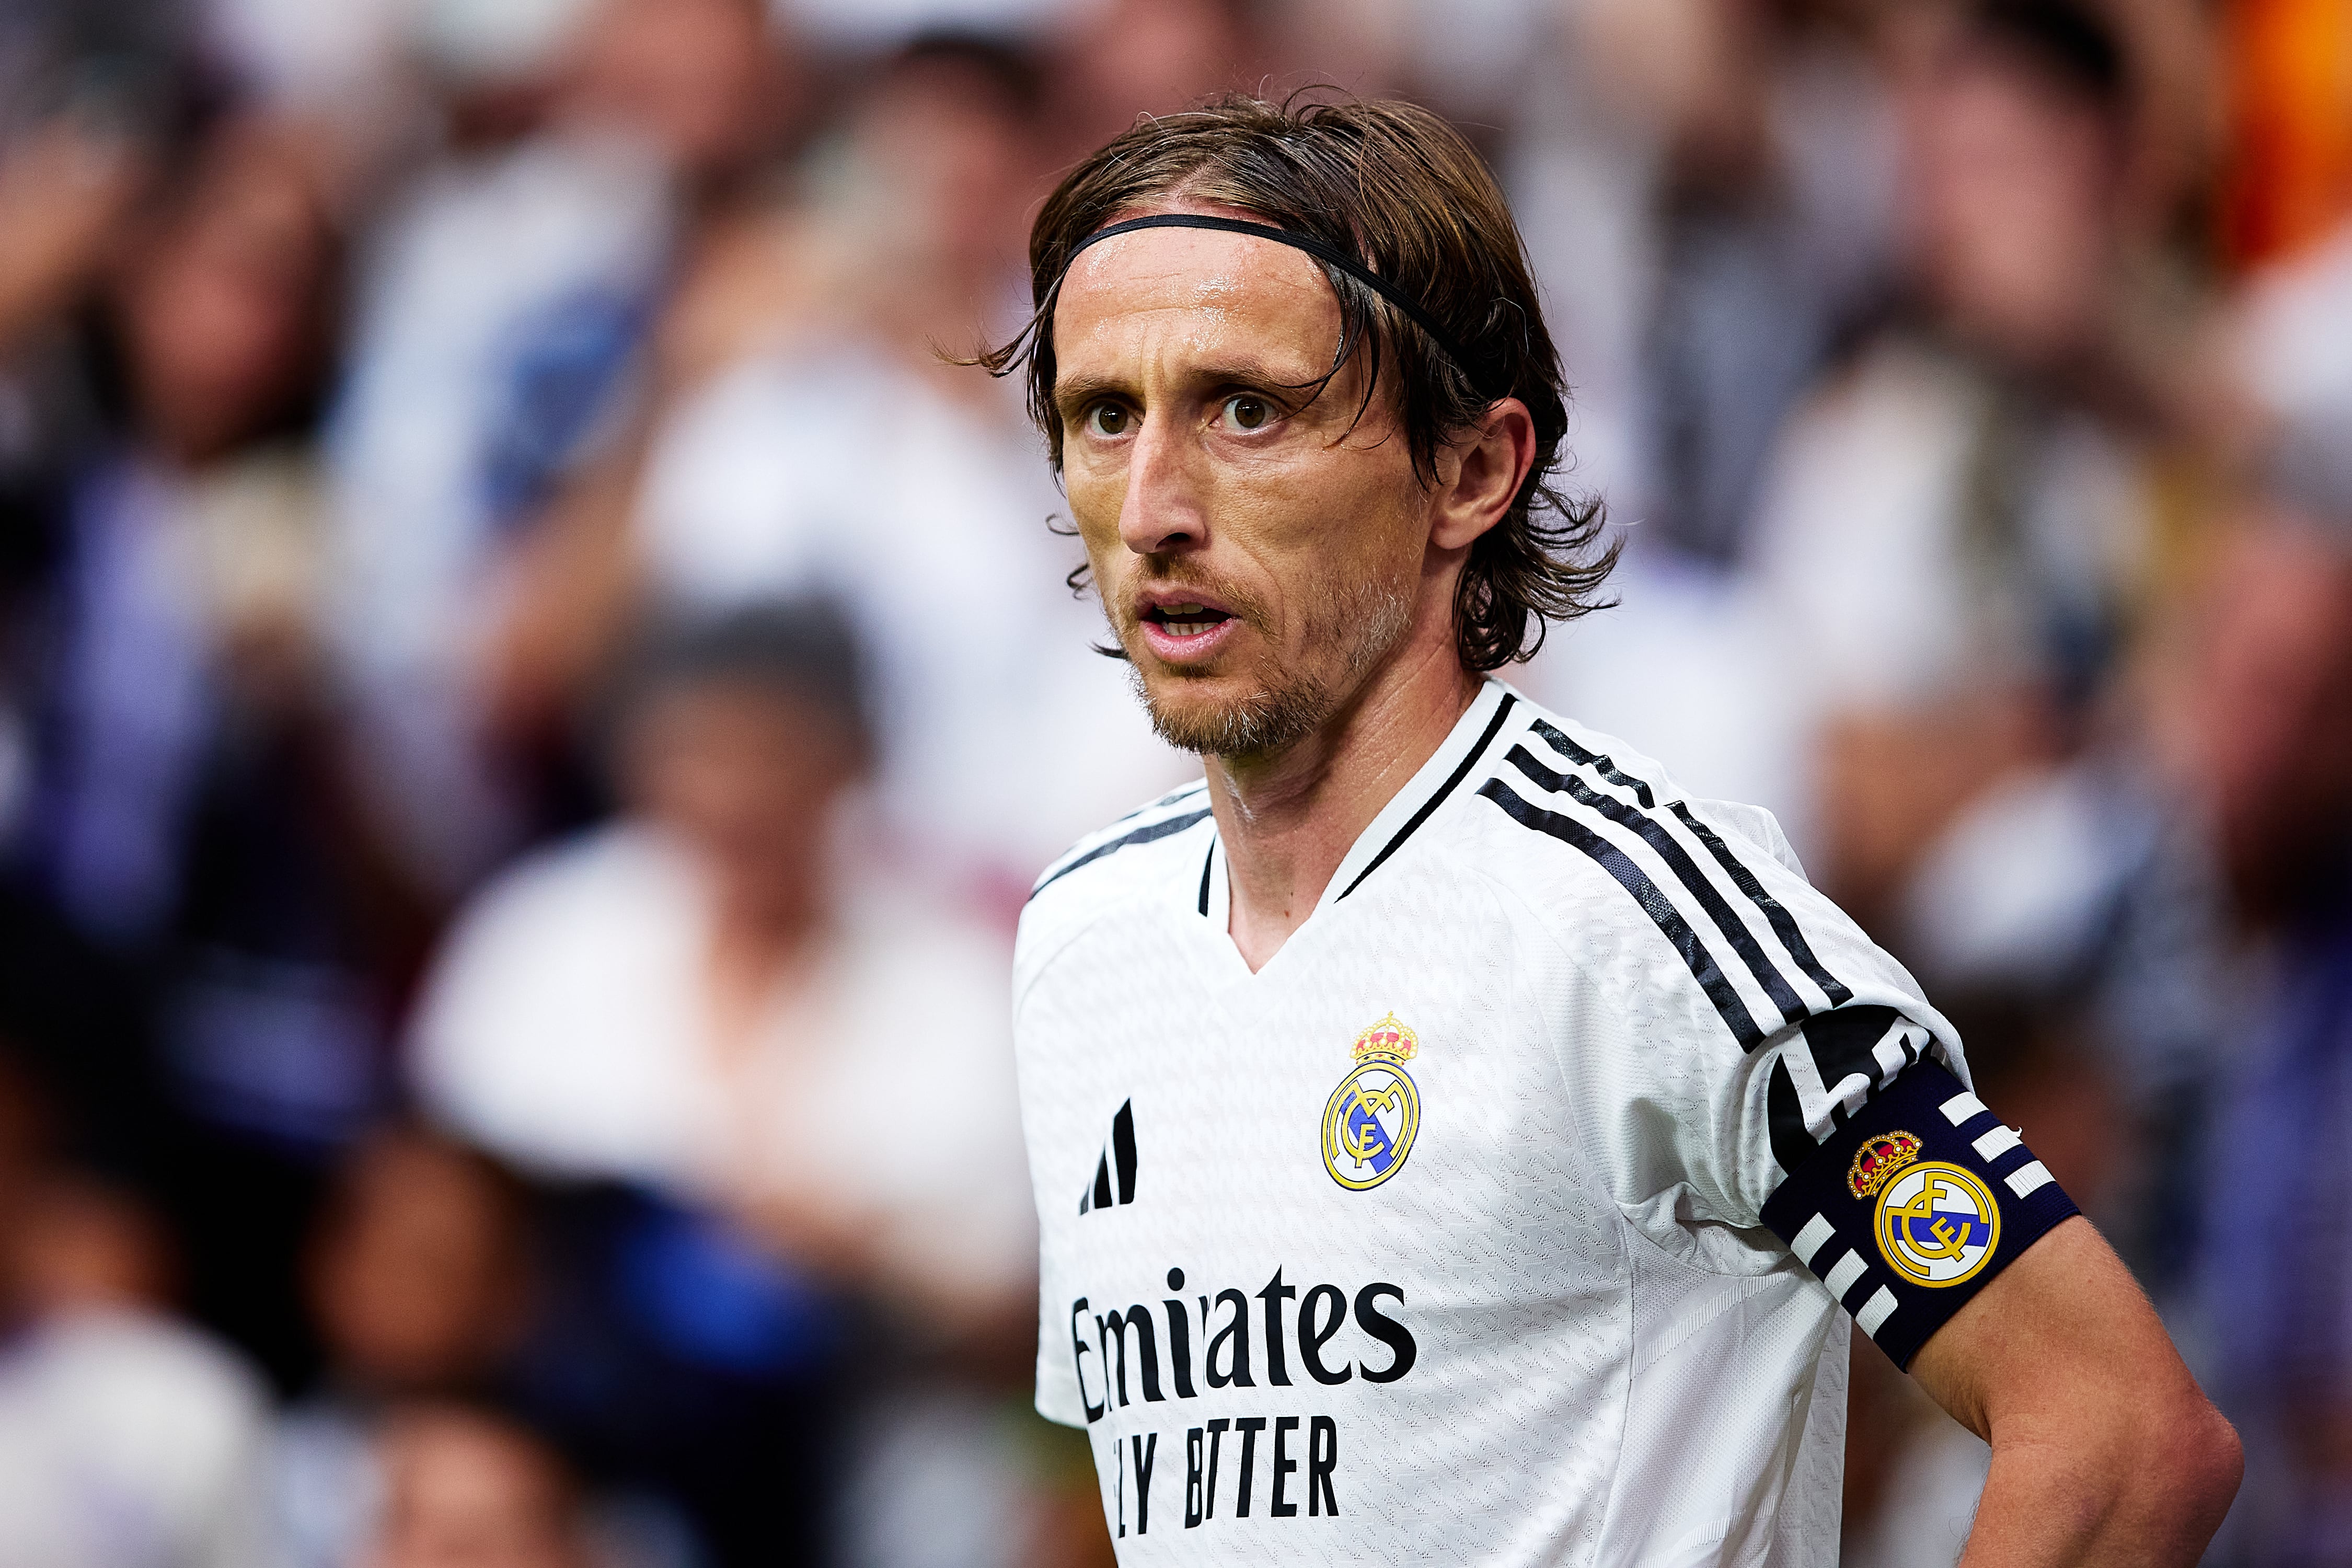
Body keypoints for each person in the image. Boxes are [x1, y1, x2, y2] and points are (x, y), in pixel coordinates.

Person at [988, 91, 2240, 1562]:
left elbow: (2120, 1434)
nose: (1150, 507)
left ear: (1471, 470)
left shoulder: (1639, 921)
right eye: (1102, 416)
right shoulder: (1081, 943)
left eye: (1244, 409)